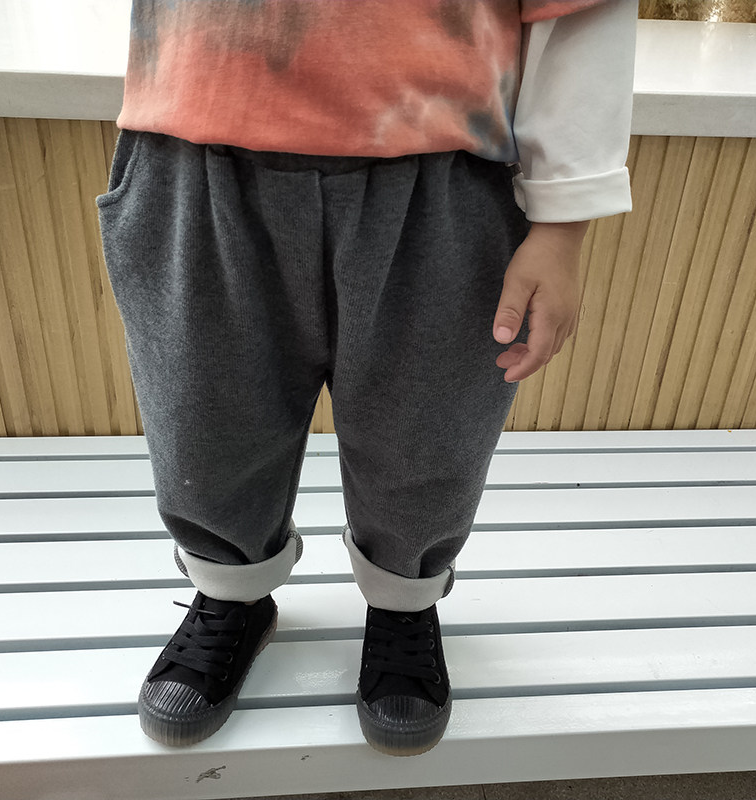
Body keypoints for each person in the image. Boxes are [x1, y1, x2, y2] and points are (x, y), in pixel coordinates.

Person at [96, 0, 637, 756]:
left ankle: (404, 604)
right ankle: (230, 595)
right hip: (195, 147)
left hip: (441, 165)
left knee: (428, 435)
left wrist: (563, 222)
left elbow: (582, 14)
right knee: (204, 424)